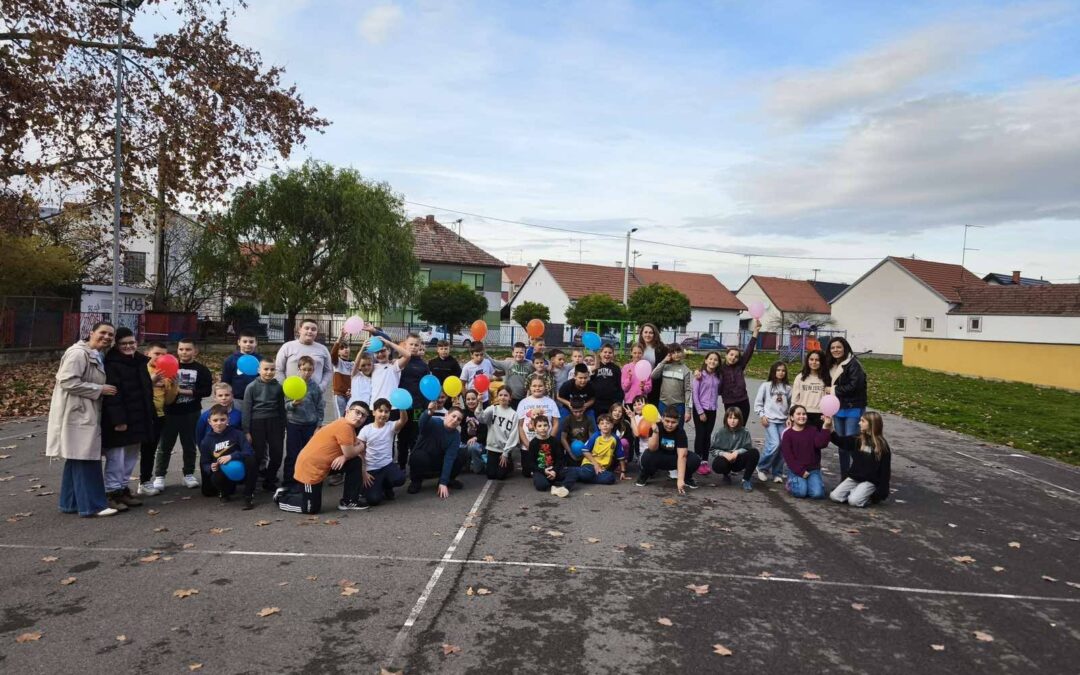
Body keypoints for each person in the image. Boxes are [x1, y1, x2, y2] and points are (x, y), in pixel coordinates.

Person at [46, 321, 119, 518]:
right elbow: (67, 381)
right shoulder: (78, 353)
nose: (106, 337)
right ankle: (93, 506)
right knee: (86, 457)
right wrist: (99, 389)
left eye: (110, 335)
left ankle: (70, 502)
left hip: (83, 411)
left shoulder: (95, 354)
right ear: (91, 332)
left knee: (76, 458)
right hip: (77, 412)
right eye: (103, 332)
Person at [277, 401, 370, 514]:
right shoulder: (344, 426)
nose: (359, 417)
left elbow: (351, 452)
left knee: (355, 462)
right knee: (311, 509)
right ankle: (281, 498)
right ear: (347, 411)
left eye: (363, 415)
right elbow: (352, 451)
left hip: (324, 466)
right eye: (357, 412)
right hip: (310, 470)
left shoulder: (348, 426)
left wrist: (345, 457)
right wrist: (361, 447)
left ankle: (349, 501)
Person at [101, 326, 154, 511]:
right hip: (120, 420)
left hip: (139, 417)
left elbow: (146, 390)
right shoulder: (111, 364)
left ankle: (123, 489)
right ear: (117, 345)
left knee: (131, 456)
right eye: (123, 343)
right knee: (116, 457)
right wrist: (118, 420)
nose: (128, 346)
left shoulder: (139, 362)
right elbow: (113, 396)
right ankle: (112, 492)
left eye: (131, 342)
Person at [152, 339, 212, 491]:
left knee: (189, 445)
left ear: (195, 351)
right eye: (181, 349)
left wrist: (182, 391)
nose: (184, 352)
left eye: (188, 349)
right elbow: (158, 386)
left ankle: (188, 474)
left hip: (191, 412)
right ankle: (160, 475)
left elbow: (206, 391)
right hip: (169, 412)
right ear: (177, 350)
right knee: (165, 445)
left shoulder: (201, 370)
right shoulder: (168, 365)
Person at [137, 343, 177, 497]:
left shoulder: (166, 371)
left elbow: (169, 400)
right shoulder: (140, 370)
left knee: (149, 451)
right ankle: (118, 486)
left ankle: (144, 482)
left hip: (158, 416)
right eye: (157, 354)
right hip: (141, 416)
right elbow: (134, 392)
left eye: (164, 354)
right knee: (129, 453)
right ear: (147, 353)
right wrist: (150, 381)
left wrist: (173, 385)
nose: (161, 358)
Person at [827, 412, 891, 507]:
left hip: (870, 481)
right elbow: (842, 442)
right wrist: (830, 429)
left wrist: (882, 491)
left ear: (871, 424)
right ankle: (856, 491)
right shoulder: (858, 439)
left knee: (854, 501)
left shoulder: (881, 445)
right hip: (855, 477)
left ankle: (864, 495)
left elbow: (885, 470)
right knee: (834, 496)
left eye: (862, 421)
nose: (859, 423)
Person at [825, 337, 868, 479]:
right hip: (838, 408)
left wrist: (833, 390)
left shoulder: (853, 364)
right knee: (841, 445)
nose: (835, 350)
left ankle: (859, 474)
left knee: (852, 444)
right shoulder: (832, 365)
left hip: (853, 408)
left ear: (845, 348)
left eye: (838, 347)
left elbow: (855, 386)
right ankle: (845, 477)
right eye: (832, 348)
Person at [242, 358, 287, 492]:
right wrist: (246, 431)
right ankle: (251, 484)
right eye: (265, 369)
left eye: (272, 369)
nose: (269, 372)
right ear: (259, 370)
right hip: (257, 423)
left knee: (277, 454)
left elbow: (281, 408)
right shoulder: (251, 387)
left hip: (275, 422)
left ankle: (270, 480)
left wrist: (283, 426)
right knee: (258, 455)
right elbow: (246, 409)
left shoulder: (278, 387)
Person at [199, 404, 257, 508]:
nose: (219, 423)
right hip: (223, 473)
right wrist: (211, 467)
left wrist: (231, 456)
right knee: (216, 477)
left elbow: (249, 451)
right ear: (209, 421)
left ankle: (248, 495)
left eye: (222, 419)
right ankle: (224, 492)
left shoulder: (237, 434)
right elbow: (204, 463)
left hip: (242, 469)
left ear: (228, 419)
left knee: (251, 460)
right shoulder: (206, 441)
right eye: (215, 420)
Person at [355, 398, 408, 506]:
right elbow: (360, 453)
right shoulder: (366, 430)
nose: (383, 414)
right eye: (380, 411)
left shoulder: (390, 426)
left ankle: (386, 487)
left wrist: (402, 407)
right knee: (373, 500)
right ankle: (374, 488)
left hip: (387, 465)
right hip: (371, 469)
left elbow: (403, 420)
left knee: (400, 478)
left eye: (386, 411)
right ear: (374, 412)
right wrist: (363, 472)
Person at [636, 406, 702, 494]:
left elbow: (682, 456)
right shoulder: (656, 427)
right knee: (646, 456)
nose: (670, 425)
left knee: (695, 459)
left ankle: (686, 478)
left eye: (673, 422)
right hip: (658, 457)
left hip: (674, 458)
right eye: (667, 421)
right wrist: (655, 432)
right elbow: (652, 448)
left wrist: (680, 479)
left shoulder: (680, 432)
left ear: (678, 421)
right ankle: (644, 475)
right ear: (662, 419)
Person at [407, 403, 467, 498]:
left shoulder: (456, 436)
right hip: (424, 459)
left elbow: (449, 458)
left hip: (438, 462)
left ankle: (448, 480)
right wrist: (429, 412)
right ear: (446, 415)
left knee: (462, 453)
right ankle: (416, 481)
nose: (455, 420)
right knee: (418, 456)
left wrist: (443, 482)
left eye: (459, 419)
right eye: (453, 416)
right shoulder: (434, 422)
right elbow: (422, 422)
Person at [284, 355, 325, 487]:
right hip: (294, 424)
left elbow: (320, 406)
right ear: (299, 369)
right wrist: (293, 404)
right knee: (292, 454)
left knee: (308, 454)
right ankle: (289, 481)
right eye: (304, 369)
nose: (307, 372)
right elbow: (285, 405)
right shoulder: (292, 384)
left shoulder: (315, 387)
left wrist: (319, 425)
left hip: (310, 425)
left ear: (313, 370)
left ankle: (306, 480)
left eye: (309, 370)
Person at [393, 334, 430, 471]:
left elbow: (426, 388)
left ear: (420, 346)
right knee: (402, 437)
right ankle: (401, 465)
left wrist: (426, 406)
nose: (414, 347)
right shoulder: (399, 362)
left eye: (416, 345)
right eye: (411, 344)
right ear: (405, 345)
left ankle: (414, 467)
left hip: (417, 408)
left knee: (415, 437)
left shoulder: (423, 366)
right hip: (402, 408)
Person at [780, 405, 831, 499]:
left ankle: (811, 483)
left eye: (804, 414)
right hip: (797, 469)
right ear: (792, 417)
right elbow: (788, 457)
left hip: (813, 469)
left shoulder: (813, 430)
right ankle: (791, 483)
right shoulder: (787, 434)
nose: (802, 416)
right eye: (798, 414)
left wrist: (825, 427)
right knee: (801, 493)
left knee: (817, 494)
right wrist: (800, 471)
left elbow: (821, 444)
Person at [716, 319, 760, 423]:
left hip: (743, 400)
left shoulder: (740, 366)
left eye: (736, 357)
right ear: (726, 355)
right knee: (730, 426)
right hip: (729, 402)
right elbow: (708, 369)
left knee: (742, 426)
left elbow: (749, 350)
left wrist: (756, 331)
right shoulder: (719, 368)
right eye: (731, 355)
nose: (733, 358)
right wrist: (698, 372)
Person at [754, 361, 791, 484]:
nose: (781, 372)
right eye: (778, 370)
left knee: (783, 446)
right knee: (775, 443)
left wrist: (790, 417)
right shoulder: (766, 386)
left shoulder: (788, 388)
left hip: (783, 421)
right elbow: (758, 403)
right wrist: (762, 415)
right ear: (773, 372)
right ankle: (762, 467)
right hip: (770, 420)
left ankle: (777, 472)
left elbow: (791, 405)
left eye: (783, 370)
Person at [563, 414, 622, 490]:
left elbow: (621, 455)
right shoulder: (596, 436)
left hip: (602, 468)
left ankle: (581, 477)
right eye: (602, 423)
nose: (605, 425)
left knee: (610, 478)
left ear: (612, 425)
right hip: (590, 463)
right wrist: (596, 464)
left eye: (607, 423)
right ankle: (567, 475)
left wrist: (623, 471)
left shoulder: (615, 438)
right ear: (599, 426)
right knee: (589, 472)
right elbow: (585, 451)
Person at [274, 319, 333, 395]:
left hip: (315, 394)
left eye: (313, 329)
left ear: (316, 332)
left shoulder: (323, 349)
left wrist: (321, 387)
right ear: (300, 330)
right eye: (306, 328)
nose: (310, 331)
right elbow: (278, 370)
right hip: (292, 393)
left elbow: (328, 371)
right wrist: (285, 387)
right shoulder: (287, 347)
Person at [516, 377, 560, 476]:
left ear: (545, 387)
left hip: (546, 445)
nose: (537, 388)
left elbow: (556, 423)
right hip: (528, 444)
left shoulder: (551, 402)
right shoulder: (523, 402)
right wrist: (528, 445)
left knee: (546, 471)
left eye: (540, 386)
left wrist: (550, 441)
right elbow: (520, 426)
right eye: (534, 386)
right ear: (530, 387)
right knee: (528, 474)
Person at [709, 407, 759, 491]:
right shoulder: (720, 432)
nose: (732, 421)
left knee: (754, 452)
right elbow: (712, 449)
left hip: (738, 459)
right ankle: (726, 473)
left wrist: (736, 452)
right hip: (725, 459)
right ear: (726, 418)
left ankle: (746, 480)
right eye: (730, 418)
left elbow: (748, 448)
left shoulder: (745, 432)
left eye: (735, 418)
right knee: (718, 464)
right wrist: (724, 454)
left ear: (739, 419)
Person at [478, 387, 518, 479]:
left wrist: (506, 453)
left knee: (501, 476)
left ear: (510, 397)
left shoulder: (514, 414)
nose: (503, 397)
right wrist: (480, 403)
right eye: (500, 395)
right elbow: (481, 418)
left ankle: (509, 463)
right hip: (492, 449)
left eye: (505, 395)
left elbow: (513, 435)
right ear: (497, 396)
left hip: (504, 450)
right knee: (491, 475)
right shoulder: (493, 409)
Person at [691, 351, 721, 472]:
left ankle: (704, 461)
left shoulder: (718, 376)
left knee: (707, 436)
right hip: (700, 409)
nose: (712, 361)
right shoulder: (699, 375)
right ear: (706, 360)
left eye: (715, 360)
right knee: (700, 435)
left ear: (718, 363)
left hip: (712, 410)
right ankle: (697, 461)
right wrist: (700, 412)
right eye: (710, 359)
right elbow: (695, 395)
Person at [650, 343, 693, 426]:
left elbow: (688, 391)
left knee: (677, 429)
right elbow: (653, 375)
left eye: (678, 352)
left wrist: (688, 411)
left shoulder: (686, 370)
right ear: (669, 354)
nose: (676, 354)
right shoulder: (665, 366)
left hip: (678, 406)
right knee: (661, 427)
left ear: (682, 353)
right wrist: (664, 361)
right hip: (663, 404)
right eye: (673, 352)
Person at [528, 416, 568, 496]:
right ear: (535, 428)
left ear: (549, 427)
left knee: (572, 473)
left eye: (545, 425)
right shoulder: (533, 443)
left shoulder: (554, 441)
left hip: (554, 469)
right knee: (542, 485)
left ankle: (554, 482)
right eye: (539, 426)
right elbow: (531, 463)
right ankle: (554, 483)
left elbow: (560, 459)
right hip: (541, 470)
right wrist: (543, 471)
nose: (543, 428)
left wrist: (554, 471)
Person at [792, 349, 829, 429]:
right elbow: (794, 399)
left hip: (820, 414)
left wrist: (828, 414)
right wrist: (791, 415)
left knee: (819, 437)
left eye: (817, 360)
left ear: (821, 362)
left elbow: (829, 399)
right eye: (811, 359)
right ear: (807, 361)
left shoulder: (826, 377)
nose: (814, 362)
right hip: (803, 413)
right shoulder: (800, 377)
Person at [221, 330, 262, 401]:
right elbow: (225, 381)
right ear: (239, 342)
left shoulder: (261, 360)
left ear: (256, 343)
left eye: (251, 342)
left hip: (257, 398)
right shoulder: (230, 360)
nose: (248, 344)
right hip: (237, 398)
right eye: (245, 341)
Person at [635, 323, 668, 405]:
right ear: (641, 334)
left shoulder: (661, 348)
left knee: (652, 407)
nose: (648, 335)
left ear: (654, 334)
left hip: (655, 383)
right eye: (645, 332)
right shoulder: (637, 347)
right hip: (639, 383)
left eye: (651, 333)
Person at [492, 342, 532, 408]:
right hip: (509, 398)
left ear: (525, 353)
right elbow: (494, 362)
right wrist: (483, 351)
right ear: (513, 353)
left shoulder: (529, 364)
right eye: (516, 352)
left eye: (521, 352)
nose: (519, 354)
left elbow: (537, 371)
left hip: (523, 398)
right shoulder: (508, 363)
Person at [559, 403, 597, 471]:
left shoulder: (589, 419)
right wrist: (570, 453)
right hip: (571, 450)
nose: (578, 414)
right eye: (575, 412)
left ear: (584, 409)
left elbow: (591, 439)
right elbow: (563, 438)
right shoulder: (568, 419)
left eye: (580, 411)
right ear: (571, 409)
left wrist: (586, 452)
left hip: (585, 450)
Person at [590, 344, 622, 420]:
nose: (607, 354)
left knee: (610, 422)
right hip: (597, 402)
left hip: (611, 402)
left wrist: (618, 401)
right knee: (598, 421)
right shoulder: (595, 367)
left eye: (610, 353)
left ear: (613, 355)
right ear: (600, 354)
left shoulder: (616, 368)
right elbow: (589, 381)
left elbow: (619, 385)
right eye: (605, 352)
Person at [461, 389, 487, 473]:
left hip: (479, 443)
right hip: (465, 442)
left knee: (473, 447)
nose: (470, 401)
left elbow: (486, 432)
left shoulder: (483, 413)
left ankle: (479, 468)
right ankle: (465, 465)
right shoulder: (463, 413)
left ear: (477, 399)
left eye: (473, 399)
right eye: (468, 399)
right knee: (457, 447)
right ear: (465, 401)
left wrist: (476, 438)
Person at [329, 331, 354, 417]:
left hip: (351, 395)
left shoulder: (353, 363)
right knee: (341, 417)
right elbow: (333, 354)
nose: (345, 349)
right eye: (342, 348)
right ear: (338, 352)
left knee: (350, 417)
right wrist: (339, 338)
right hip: (339, 395)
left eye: (346, 347)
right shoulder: (337, 362)